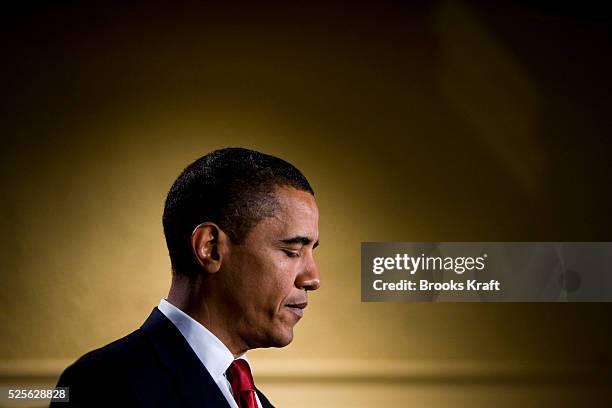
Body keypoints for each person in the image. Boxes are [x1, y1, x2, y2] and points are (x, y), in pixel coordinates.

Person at [51, 148, 321, 407]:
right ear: (210, 248)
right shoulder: (101, 386)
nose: (313, 278)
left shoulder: (258, 402)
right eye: (292, 251)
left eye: (311, 252)